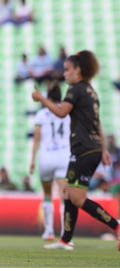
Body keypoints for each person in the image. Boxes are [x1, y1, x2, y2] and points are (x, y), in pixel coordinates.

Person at [32, 50, 120, 251]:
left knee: (77, 198)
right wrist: (103, 149)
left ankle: (117, 225)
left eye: (68, 70)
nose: (65, 74)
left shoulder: (75, 89)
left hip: (83, 149)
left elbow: (60, 112)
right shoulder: (91, 92)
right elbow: (97, 122)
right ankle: (65, 240)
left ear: (78, 70)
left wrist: (41, 98)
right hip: (90, 148)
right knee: (67, 191)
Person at [29, 82, 71, 241]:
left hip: (46, 157)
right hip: (63, 157)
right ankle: (64, 234)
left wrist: (32, 160)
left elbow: (37, 138)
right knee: (63, 195)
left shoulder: (41, 114)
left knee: (47, 195)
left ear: (47, 96)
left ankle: (48, 231)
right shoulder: (66, 112)